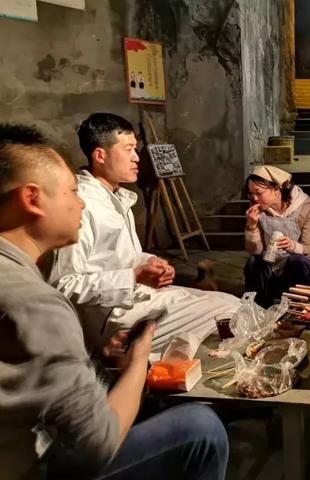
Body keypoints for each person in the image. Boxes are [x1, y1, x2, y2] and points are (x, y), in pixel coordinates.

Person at [0, 124, 228, 480]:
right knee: (202, 426)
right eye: (71, 192)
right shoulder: (36, 302)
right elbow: (94, 447)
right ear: (32, 199)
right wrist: (137, 362)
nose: (79, 202)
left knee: (223, 304)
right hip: (30, 467)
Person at [48, 113, 241, 358]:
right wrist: (133, 276)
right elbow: (63, 284)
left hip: (138, 298)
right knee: (229, 312)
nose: (137, 157)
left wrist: (149, 262)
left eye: (135, 149)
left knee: (233, 303)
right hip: (113, 318)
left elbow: (122, 257)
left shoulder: (117, 197)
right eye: (128, 149)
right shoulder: (83, 205)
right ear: (100, 156)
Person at [244, 165, 310, 307]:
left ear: (276, 188)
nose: (254, 198)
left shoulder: (305, 205)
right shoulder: (256, 209)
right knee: (254, 262)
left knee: (298, 261)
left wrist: (293, 246)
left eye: (258, 192)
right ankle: (258, 311)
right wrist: (252, 226)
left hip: (295, 267)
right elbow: (255, 251)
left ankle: (299, 311)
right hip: (270, 265)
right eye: (251, 193)